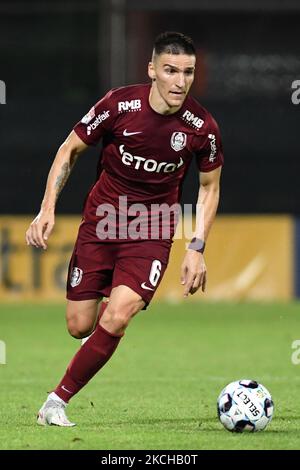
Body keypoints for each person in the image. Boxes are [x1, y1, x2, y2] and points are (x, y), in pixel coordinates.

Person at [25, 31, 223, 427]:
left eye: (188, 72)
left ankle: (56, 402)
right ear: (152, 70)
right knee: (79, 325)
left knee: (119, 314)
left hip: (152, 229)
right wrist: (47, 208)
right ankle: (97, 339)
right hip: (101, 222)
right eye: (170, 71)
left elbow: (209, 187)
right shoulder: (119, 105)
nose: (180, 82)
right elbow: (70, 149)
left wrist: (196, 246)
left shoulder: (202, 127)